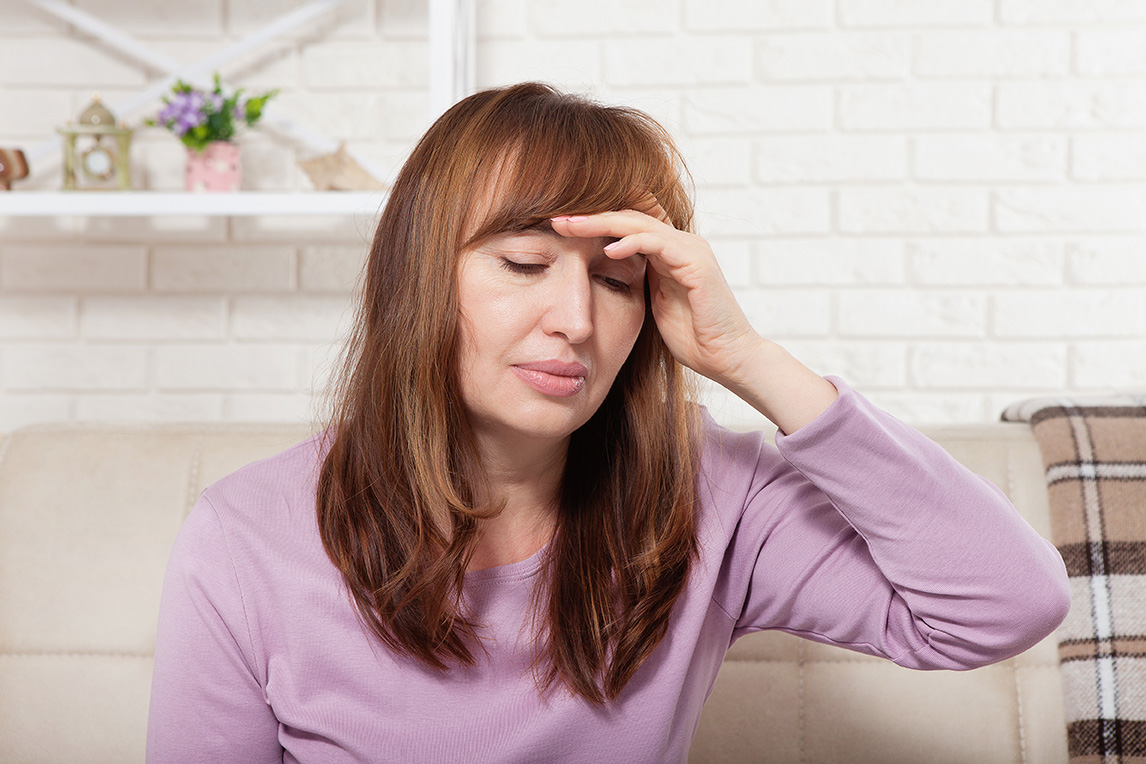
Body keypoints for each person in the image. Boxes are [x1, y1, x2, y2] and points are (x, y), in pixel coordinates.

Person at [146, 82, 1070, 763]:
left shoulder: (714, 498)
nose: (577, 320)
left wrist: (745, 356)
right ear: (418, 277)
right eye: (522, 263)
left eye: (617, 280)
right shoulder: (244, 538)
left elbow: (1006, 603)